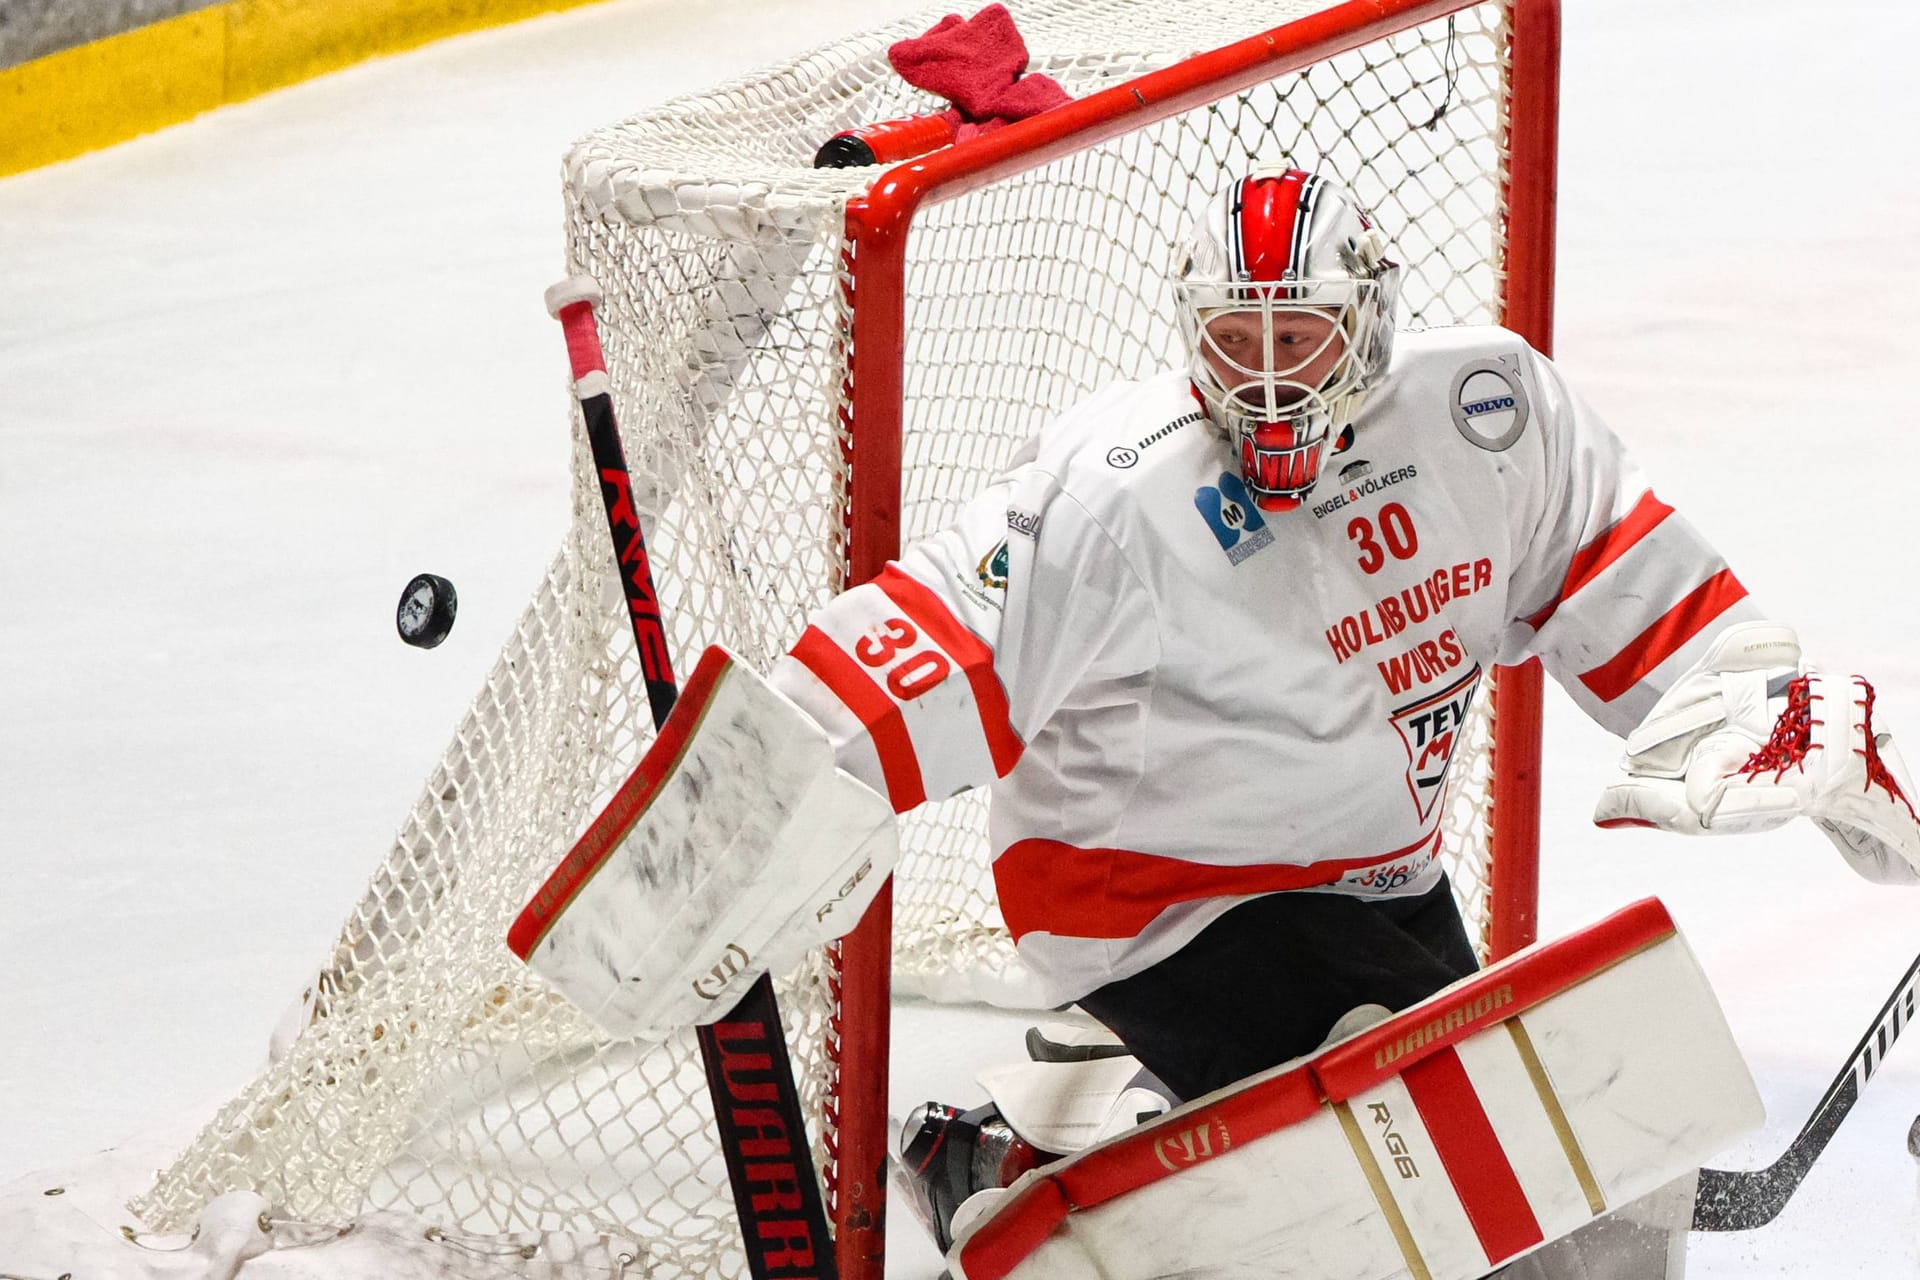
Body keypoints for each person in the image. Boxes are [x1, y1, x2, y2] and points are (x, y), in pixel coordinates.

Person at [529, 165, 1920, 1277]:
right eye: (1237, 341)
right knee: (1404, 1151)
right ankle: (1002, 1169)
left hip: (1372, 865)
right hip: (1144, 889)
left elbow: (1621, 573)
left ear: (1365, 325)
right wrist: (730, 811)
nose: (1266, 378)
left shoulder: (1487, 417)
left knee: (1565, 1157)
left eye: (1297, 337)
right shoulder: (1117, 494)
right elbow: (935, 632)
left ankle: (1112, 1111)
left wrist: (1776, 709)